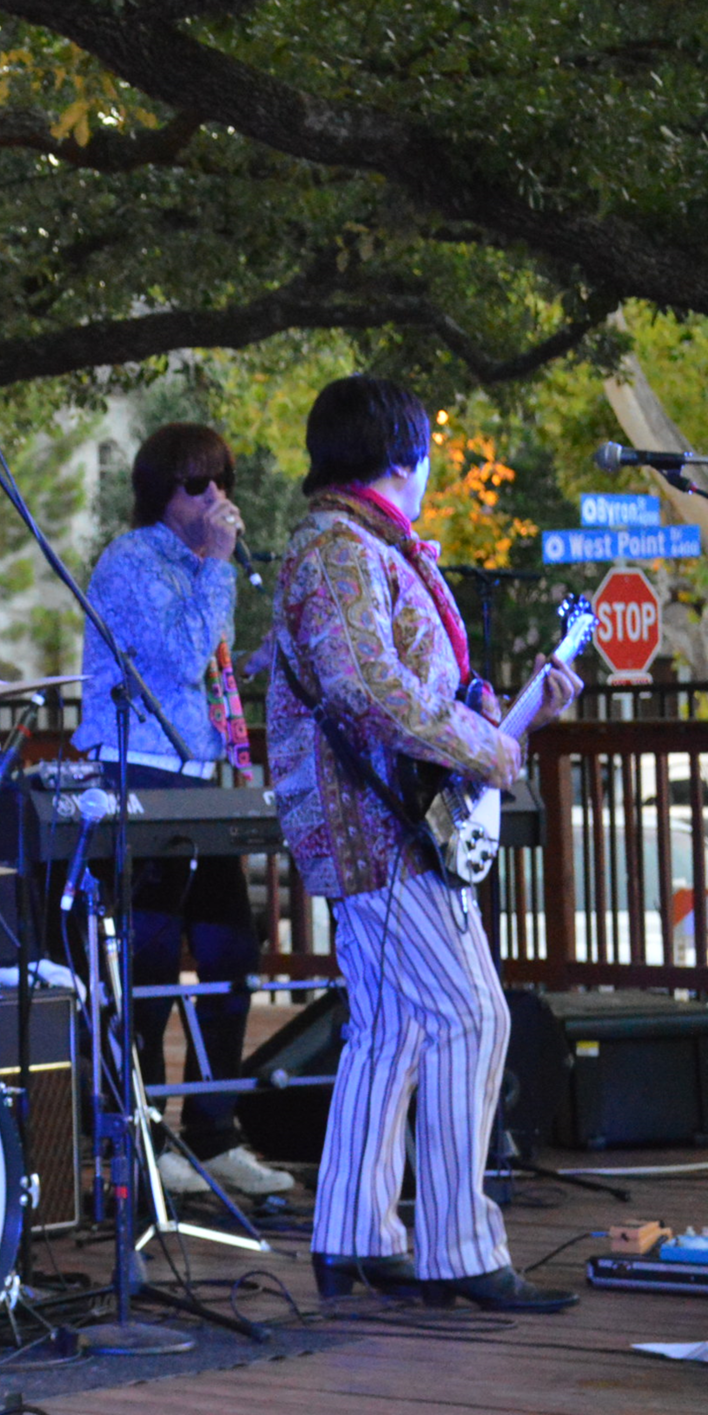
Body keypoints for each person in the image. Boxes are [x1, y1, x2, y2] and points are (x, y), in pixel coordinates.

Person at [268, 375, 580, 1310]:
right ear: (406, 452)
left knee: (392, 1030)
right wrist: (489, 746)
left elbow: (409, 686)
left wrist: (509, 712)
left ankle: (354, 1234)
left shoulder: (358, 545)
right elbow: (371, 689)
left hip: (381, 824)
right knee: (471, 1015)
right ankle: (457, 1247)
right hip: (380, 831)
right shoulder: (338, 550)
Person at [70, 422, 293, 1200]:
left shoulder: (203, 570)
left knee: (232, 949)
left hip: (200, 777)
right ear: (164, 493)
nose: (217, 498)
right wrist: (220, 570)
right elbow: (178, 657)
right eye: (199, 484)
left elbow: (209, 674)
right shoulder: (135, 561)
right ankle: (143, 1135)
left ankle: (214, 1131)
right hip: (143, 772)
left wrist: (271, 657)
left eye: (222, 481)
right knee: (150, 960)